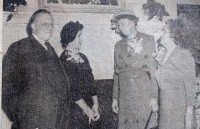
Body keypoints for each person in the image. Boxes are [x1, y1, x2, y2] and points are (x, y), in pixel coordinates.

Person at [2, 9, 71, 129]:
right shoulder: (19, 47)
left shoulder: (50, 49)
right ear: (33, 26)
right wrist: (24, 121)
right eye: (45, 24)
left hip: (56, 122)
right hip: (33, 123)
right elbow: (6, 89)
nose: (50, 28)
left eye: (51, 24)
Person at [111, 11, 159, 129]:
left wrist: (154, 97)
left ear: (133, 22)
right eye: (119, 24)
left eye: (123, 24)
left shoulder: (148, 40)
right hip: (125, 97)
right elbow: (116, 73)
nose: (120, 28)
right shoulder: (118, 45)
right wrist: (115, 98)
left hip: (143, 94)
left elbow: (153, 72)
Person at [155, 19, 196, 129]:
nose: (161, 34)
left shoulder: (183, 54)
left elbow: (190, 88)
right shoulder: (164, 53)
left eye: (164, 31)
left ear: (173, 35)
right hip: (165, 109)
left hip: (179, 110)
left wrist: (189, 115)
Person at [59, 21, 100, 129]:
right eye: (79, 35)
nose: (81, 39)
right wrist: (87, 110)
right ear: (70, 37)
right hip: (74, 110)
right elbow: (73, 91)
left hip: (89, 106)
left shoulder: (83, 57)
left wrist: (96, 104)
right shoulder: (63, 61)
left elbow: (91, 82)